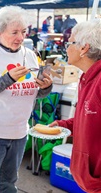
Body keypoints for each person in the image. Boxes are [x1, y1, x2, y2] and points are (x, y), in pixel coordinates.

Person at [0, 6, 53, 193]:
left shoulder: (30, 55)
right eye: (14, 32)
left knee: (9, 183)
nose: (20, 37)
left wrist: (46, 87)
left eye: (23, 32)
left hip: (19, 132)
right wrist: (8, 79)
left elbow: (32, 92)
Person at [48, 19, 101, 193]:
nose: (66, 48)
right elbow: (90, 118)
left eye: (69, 43)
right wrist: (65, 125)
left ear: (84, 48)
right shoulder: (87, 77)